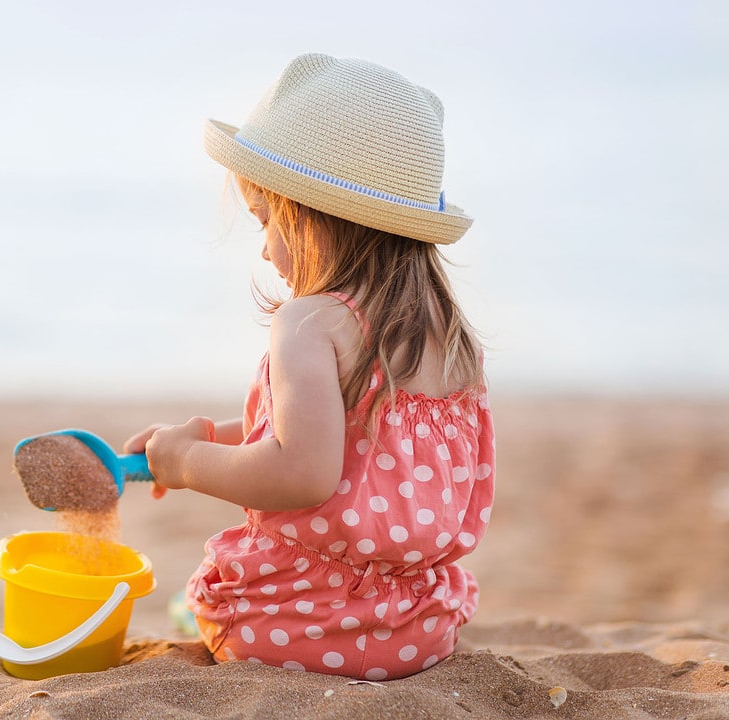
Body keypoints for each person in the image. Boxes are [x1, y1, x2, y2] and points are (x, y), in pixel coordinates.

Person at [124, 53, 495, 681]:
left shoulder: (306, 323)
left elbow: (302, 471)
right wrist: (209, 435)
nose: (266, 248)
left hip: (300, 627)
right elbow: (354, 433)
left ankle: (204, 620)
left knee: (205, 599)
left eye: (267, 221)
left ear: (314, 216)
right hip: (419, 627)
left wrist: (186, 465)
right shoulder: (449, 333)